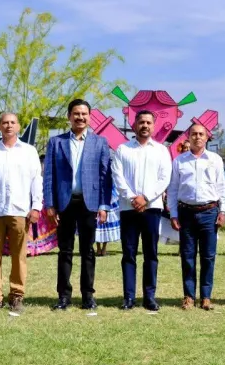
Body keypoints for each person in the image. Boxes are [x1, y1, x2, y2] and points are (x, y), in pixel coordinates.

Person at [43, 99, 113, 311]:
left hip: (89, 203)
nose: (80, 117)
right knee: (65, 251)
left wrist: (104, 205)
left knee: (88, 251)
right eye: (76, 113)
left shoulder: (100, 142)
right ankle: (63, 296)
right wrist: (50, 203)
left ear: (89, 117)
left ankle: (87, 296)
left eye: (84, 114)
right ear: (69, 117)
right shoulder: (56, 142)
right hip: (64, 203)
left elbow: (105, 176)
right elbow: (49, 175)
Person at [0, 112, 42, 314]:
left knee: (18, 256)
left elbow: (36, 180)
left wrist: (36, 206)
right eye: (5, 123)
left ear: (19, 126)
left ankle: (17, 296)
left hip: (20, 210)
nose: (9, 126)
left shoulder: (29, 151)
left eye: (12, 122)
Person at [112, 110, 172, 311]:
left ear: (154, 126)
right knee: (128, 254)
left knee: (151, 254)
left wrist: (145, 197)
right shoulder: (123, 149)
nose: (145, 125)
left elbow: (164, 178)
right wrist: (132, 197)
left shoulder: (162, 151)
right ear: (134, 124)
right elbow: (118, 177)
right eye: (141, 122)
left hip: (152, 208)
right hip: (128, 209)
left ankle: (149, 297)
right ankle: (129, 297)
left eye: (148, 122)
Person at [167, 123, 225, 311]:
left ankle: (206, 297)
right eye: (194, 134)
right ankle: (189, 296)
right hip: (186, 213)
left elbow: (221, 188)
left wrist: (223, 211)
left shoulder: (215, 160)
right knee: (187, 256)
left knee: (208, 256)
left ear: (207, 137)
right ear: (188, 136)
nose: (198, 137)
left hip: (209, 212)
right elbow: (173, 189)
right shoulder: (179, 161)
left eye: (201, 134)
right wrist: (173, 213)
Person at [95, 186, 120, 257]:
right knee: (100, 221)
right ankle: (101, 248)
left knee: (104, 221)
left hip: (107, 195)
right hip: (104, 195)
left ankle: (102, 248)